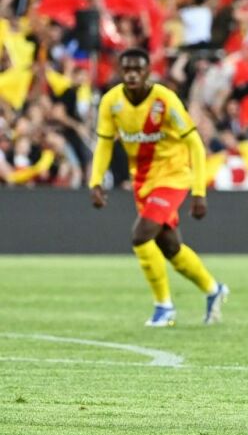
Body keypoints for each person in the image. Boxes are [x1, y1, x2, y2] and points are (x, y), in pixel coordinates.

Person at [89, 48, 229, 327]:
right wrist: (95, 181)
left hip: (173, 176)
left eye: (138, 69)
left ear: (148, 72)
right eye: (126, 69)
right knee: (170, 246)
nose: (132, 75)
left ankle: (164, 307)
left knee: (141, 236)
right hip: (143, 180)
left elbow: (194, 143)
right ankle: (214, 289)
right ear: (120, 72)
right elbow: (104, 143)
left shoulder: (165, 100)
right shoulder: (111, 102)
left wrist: (199, 192)